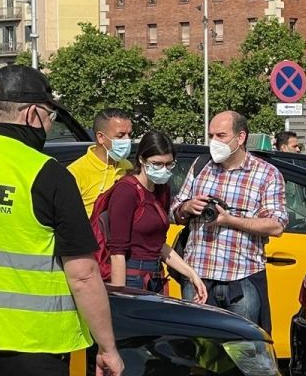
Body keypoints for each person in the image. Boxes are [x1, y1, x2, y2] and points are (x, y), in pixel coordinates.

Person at [0, 65, 123, 375]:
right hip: (32, 345)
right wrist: (107, 347)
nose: (48, 125)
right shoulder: (47, 174)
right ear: (31, 115)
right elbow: (82, 275)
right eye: (49, 116)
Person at [171, 110, 287, 332]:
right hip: (198, 279)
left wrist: (229, 220)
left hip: (242, 280)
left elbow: (277, 224)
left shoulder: (266, 174)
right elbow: (173, 210)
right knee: (200, 355)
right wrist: (186, 207)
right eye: (211, 135)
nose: (214, 142)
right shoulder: (201, 166)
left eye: (221, 135)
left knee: (244, 353)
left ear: (240, 137)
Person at [106, 130, 207, 302]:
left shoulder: (162, 190)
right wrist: (119, 298)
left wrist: (192, 275)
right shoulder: (126, 191)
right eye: (157, 164)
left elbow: (159, 246)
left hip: (155, 276)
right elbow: (117, 252)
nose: (164, 170)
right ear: (141, 160)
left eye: (169, 164)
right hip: (130, 276)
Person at [68, 108, 133, 217]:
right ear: (101, 137)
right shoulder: (74, 173)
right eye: (120, 135)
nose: (127, 140)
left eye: (129, 135)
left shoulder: (128, 167)